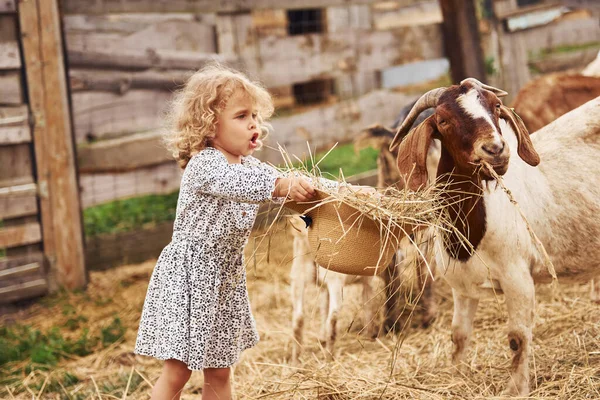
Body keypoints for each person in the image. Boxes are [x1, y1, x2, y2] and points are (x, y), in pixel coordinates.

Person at [134, 63, 348, 400]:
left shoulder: (250, 166)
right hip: (191, 277)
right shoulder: (205, 164)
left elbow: (285, 183)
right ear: (209, 123)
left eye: (256, 116)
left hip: (224, 278)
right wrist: (281, 185)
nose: (254, 124)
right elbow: (245, 184)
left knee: (220, 371)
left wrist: (344, 193)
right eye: (241, 115)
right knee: (177, 371)